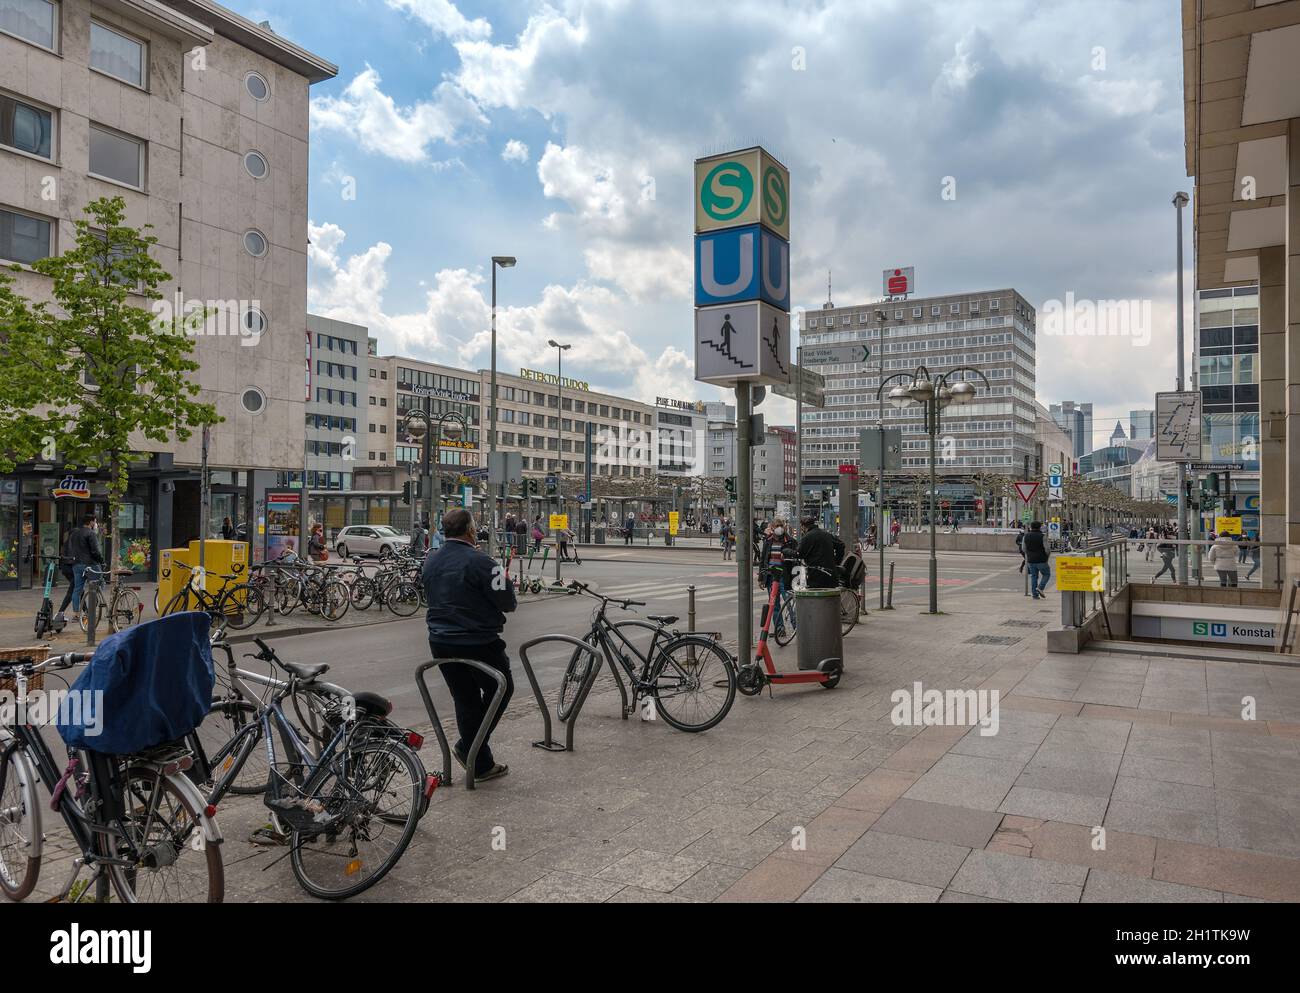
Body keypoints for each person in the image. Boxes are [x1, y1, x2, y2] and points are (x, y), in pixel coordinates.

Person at [421, 509, 516, 782]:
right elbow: (507, 602)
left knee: (465, 698)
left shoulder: (431, 560)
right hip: (477, 640)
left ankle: (481, 762)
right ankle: (470, 748)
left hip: (439, 641)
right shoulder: (484, 562)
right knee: (502, 687)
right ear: (471, 530)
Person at [65, 514, 105, 624]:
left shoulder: (74, 533)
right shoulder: (91, 533)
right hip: (90, 564)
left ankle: (76, 615)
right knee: (100, 583)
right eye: (95, 522)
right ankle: (94, 607)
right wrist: (101, 560)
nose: (95, 524)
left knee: (77, 589)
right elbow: (95, 551)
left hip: (76, 564)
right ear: (91, 522)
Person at [796, 515, 842, 589]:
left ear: (803, 526)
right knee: (831, 598)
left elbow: (799, 554)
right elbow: (841, 545)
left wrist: (786, 551)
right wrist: (836, 562)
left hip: (816, 574)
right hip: (831, 574)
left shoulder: (807, 537)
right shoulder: (826, 534)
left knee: (816, 598)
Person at [1022, 521, 1050, 598]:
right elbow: (1047, 549)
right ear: (1040, 527)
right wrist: (1047, 556)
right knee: (1046, 574)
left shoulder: (1026, 536)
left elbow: (1023, 549)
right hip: (1041, 559)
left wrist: (1029, 554)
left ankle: (1034, 594)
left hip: (1031, 560)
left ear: (1031, 527)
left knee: (1034, 576)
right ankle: (1040, 587)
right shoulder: (1043, 536)